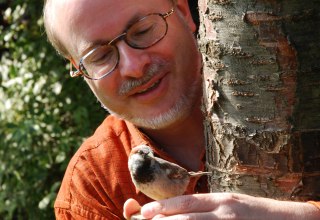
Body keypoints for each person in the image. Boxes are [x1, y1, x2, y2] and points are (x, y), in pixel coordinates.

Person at [43, 0, 320, 219]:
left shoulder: (309, 92)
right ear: (81, 70)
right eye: (100, 56)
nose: (133, 67)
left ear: (184, 11)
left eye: (142, 30)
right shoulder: (93, 189)